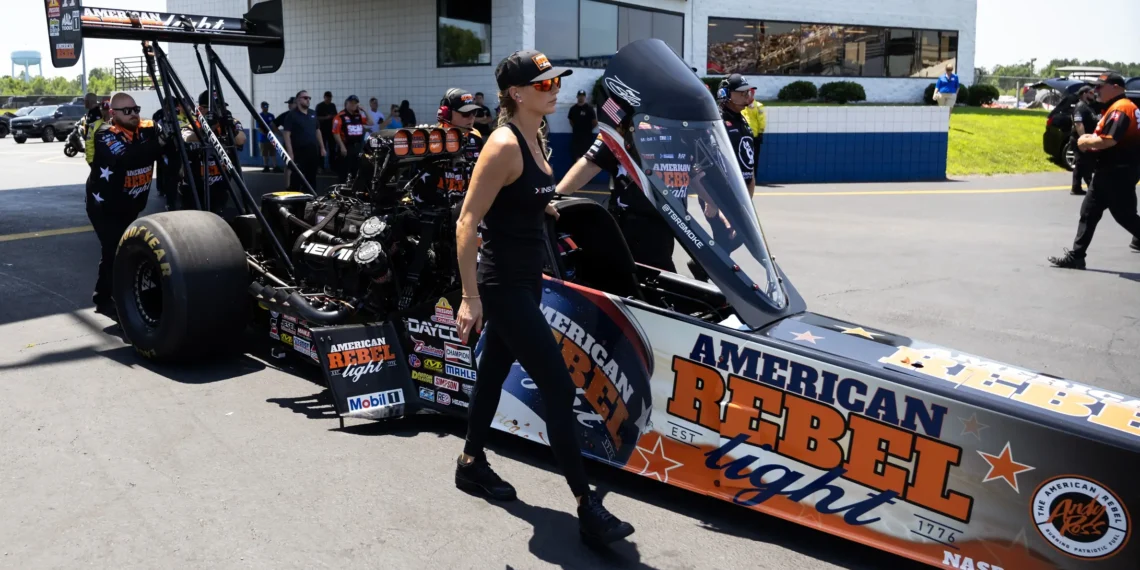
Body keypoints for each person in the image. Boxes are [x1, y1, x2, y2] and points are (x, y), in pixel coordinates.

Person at [453, 49, 634, 546]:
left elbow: (522, 200)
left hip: (527, 280)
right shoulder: (503, 145)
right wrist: (470, 297)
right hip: (502, 287)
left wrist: (543, 210)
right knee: (558, 389)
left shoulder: (536, 137)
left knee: (491, 377)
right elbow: (467, 222)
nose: (553, 89)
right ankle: (586, 508)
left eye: (555, 82)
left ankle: (470, 463)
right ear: (516, 93)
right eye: (543, 85)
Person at [555, 116, 679, 272]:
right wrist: (556, 196)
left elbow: (701, 173)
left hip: (668, 224)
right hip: (633, 223)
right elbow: (592, 162)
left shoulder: (682, 125)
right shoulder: (628, 122)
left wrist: (714, 208)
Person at [86, 92, 166, 319]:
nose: (134, 115)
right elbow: (129, 157)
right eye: (128, 111)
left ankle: (102, 295)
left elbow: (172, 137)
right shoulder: (105, 134)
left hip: (131, 203)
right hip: (104, 206)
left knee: (116, 251)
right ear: (113, 114)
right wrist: (161, 143)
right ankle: (111, 301)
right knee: (116, 249)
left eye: (137, 109)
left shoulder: (147, 127)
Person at [1049, 73, 1140, 269]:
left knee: (1124, 216)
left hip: (1116, 172)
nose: (1096, 90)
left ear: (1116, 87)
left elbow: (1109, 140)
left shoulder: (1121, 108)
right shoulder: (1121, 107)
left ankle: (1077, 255)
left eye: (1100, 86)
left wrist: (1085, 141)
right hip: (1113, 170)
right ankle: (1077, 255)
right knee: (1089, 212)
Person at [412, 87, 483, 207]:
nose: (471, 118)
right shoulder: (429, 138)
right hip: (432, 211)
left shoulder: (475, 136)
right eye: (465, 113)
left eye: (474, 113)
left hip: (463, 209)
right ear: (446, 113)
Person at [181, 90, 247, 215]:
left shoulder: (230, 124)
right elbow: (188, 137)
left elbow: (241, 139)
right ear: (201, 109)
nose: (219, 112)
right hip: (195, 189)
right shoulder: (192, 124)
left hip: (221, 186)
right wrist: (208, 127)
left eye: (221, 107)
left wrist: (231, 129)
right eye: (215, 108)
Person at [718, 74, 758, 197]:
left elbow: (748, 164)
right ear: (725, 93)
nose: (746, 97)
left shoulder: (742, 120)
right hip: (722, 191)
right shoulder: (717, 121)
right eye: (741, 93)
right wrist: (710, 200)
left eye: (747, 92)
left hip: (742, 192)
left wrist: (750, 191)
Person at [282, 90, 326, 192]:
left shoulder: (313, 113)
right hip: (298, 153)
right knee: (296, 178)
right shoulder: (292, 115)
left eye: (309, 98)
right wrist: (290, 153)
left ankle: (310, 199)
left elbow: (317, 130)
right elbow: (286, 134)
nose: (308, 100)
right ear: (298, 100)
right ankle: (294, 201)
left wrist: (322, 147)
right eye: (305, 98)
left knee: (311, 178)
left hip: (312, 152)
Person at [331, 95, 371, 184]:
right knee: (343, 172)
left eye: (355, 103)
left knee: (356, 171)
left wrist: (364, 110)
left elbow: (371, 122)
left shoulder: (358, 116)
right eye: (351, 103)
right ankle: (341, 190)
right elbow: (335, 133)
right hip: (346, 147)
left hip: (358, 147)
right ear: (346, 104)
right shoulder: (340, 116)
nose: (353, 105)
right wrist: (342, 146)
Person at [1069, 86, 1098, 196]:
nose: (1093, 94)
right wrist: (1083, 140)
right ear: (1084, 94)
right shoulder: (1081, 106)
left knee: (1081, 163)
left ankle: (1076, 187)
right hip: (1079, 139)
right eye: (1091, 92)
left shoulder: (1087, 106)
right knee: (1084, 163)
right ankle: (1091, 187)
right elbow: (1078, 124)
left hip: (1085, 138)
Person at [566, 89, 597, 162]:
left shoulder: (589, 109)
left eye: (583, 96)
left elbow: (595, 122)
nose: (581, 97)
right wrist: (577, 128)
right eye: (580, 96)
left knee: (587, 159)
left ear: (585, 97)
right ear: (577, 96)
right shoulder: (573, 109)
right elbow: (570, 121)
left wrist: (588, 129)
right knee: (576, 157)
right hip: (576, 138)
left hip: (587, 138)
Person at [316, 91, 338, 171]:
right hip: (322, 131)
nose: (329, 99)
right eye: (328, 98)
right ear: (324, 97)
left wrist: (333, 117)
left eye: (330, 98)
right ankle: (321, 166)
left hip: (331, 131)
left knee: (332, 149)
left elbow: (336, 115)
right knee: (322, 148)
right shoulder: (320, 106)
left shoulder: (332, 105)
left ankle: (333, 166)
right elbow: (316, 117)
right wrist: (326, 118)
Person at [257, 101, 279, 173]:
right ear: (262, 107)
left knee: (273, 153)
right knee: (265, 153)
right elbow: (259, 127)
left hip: (272, 138)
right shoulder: (259, 116)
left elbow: (275, 125)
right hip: (263, 138)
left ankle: (275, 166)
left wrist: (276, 133)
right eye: (265, 106)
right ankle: (266, 166)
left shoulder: (271, 116)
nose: (266, 108)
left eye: (267, 106)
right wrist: (265, 134)